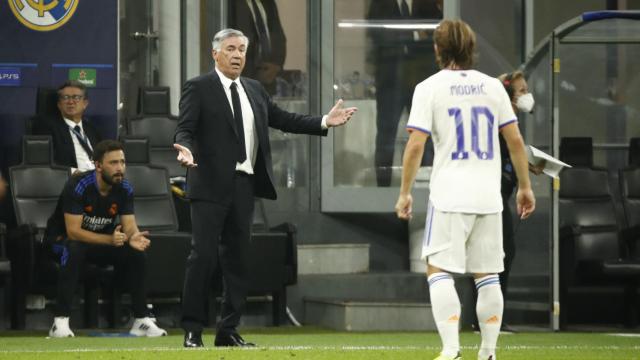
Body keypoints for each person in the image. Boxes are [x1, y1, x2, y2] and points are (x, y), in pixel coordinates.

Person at [174, 28, 356, 348]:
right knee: (202, 257)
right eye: (230, 48)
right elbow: (185, 128)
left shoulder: (255, 90)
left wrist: (324, 121)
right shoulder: (199, 87)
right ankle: (192, 330)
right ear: (215, 53)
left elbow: (283, 119)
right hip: (209, 186)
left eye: (242, 49)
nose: (237, 55)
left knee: (239, 260)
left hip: (244, 186)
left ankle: (228, 330)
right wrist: (184, 148)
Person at [395, 20, 535, 360]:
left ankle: (451, 349)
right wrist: (525, 187)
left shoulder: (429, 87)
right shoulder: (492, 87)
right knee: (487, 274)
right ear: (472, 48)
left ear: (437, 50)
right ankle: (488, 352)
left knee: (439, 270)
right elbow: (515, 141)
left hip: (450, 195)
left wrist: (405, 192)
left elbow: (415, 145)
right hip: (488, 197)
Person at [45, 140, 166, 338]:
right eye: (113, 163)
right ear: (98, 165)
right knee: (73, 248)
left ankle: (142, 320)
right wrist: (110, 240)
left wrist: (134, 237)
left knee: (136, 254)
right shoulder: (79, 185)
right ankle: (60, 322)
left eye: (123, 162)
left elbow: (128, 226)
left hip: (96, 243)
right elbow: (73, 231)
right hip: (60, 240)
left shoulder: (125, 188)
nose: (120, 168)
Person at [367, 0, 442, 186]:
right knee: (386, 135)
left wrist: (423, 35)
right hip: (390, 79)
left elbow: (439, 30)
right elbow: (375, 31)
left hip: (420, 79)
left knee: (424, 134)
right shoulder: (380, 3)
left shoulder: (425, 3)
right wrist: (414, 34)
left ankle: (424, 185)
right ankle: (382, 188)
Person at [493, 70, 540, 333]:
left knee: (504, 253)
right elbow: (505, 153)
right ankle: (489, 319)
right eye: (522, 91)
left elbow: (511, 155)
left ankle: (491, 318)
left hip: (503, 195)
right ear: (508, 96)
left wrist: (528, 164)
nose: (527, 95)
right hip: (493, 196)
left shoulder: (510, 121)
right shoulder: (501, 120)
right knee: (501, 253)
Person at [33, 80, 103, 174]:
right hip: (71, 180)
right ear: (59, 105)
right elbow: (45, 162)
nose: (71, 102)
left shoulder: (92, 129)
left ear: (85, 104)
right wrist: (72, 172)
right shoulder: (47, 128)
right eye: (65, 97)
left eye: (76, 97)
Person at [228, 0, 286, 95]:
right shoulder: (229, 5)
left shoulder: (268, 3)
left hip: (269, 85)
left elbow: (279, 38)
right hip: (241, 83)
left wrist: (276, 67)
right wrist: (255, 73)